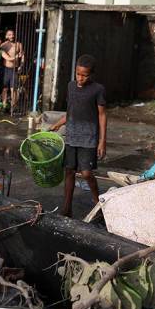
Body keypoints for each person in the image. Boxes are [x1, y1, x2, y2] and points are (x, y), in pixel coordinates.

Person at [50, 54, 107, 218]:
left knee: (87, 173)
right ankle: (67, 208)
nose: (80, 78)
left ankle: (99, 205)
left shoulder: (98, 90)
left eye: (84, 75)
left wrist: (102, 141)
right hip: (71, 137)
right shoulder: (71, 86)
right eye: (78, 74)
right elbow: (71, 111)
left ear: (91, 74)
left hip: (89, 138)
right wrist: (58, 123)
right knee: (69, 171)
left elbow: (102, 115)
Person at [0, 29, 24, 112]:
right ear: (6, 36)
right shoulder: (4, 45)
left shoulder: (19, 44)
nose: (12, 36)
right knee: (5, 88)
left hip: (15, 69)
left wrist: (21, 65)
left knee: (13, 88)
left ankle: (13, 107)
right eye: (9, 35)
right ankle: (4, 105)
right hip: (6, 69)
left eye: (13, 34)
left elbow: (22, 55)